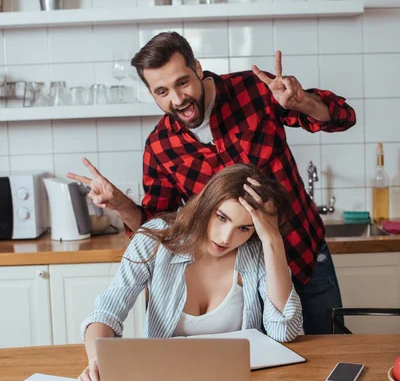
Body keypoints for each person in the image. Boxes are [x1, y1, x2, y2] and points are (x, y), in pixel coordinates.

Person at [68, 31, 356, 334]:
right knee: (273, 364)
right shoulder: (160, 146)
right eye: (162, 92)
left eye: (182, 82)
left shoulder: (254, 91)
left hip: (303, 253)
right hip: (243, 277)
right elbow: (161, 231)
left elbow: (343, 117)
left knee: (329, 348)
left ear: (198, 68)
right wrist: (122, 205)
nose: (178, 99)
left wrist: (304, 103)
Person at [78, 164, 303, 381]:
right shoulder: (155, 239)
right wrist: (97, 359)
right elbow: (108, 311)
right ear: (206, 205)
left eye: (244, 228)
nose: (226, 238)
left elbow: (283, 330)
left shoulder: (257, 252)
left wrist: (272, 239)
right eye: (221, 217)